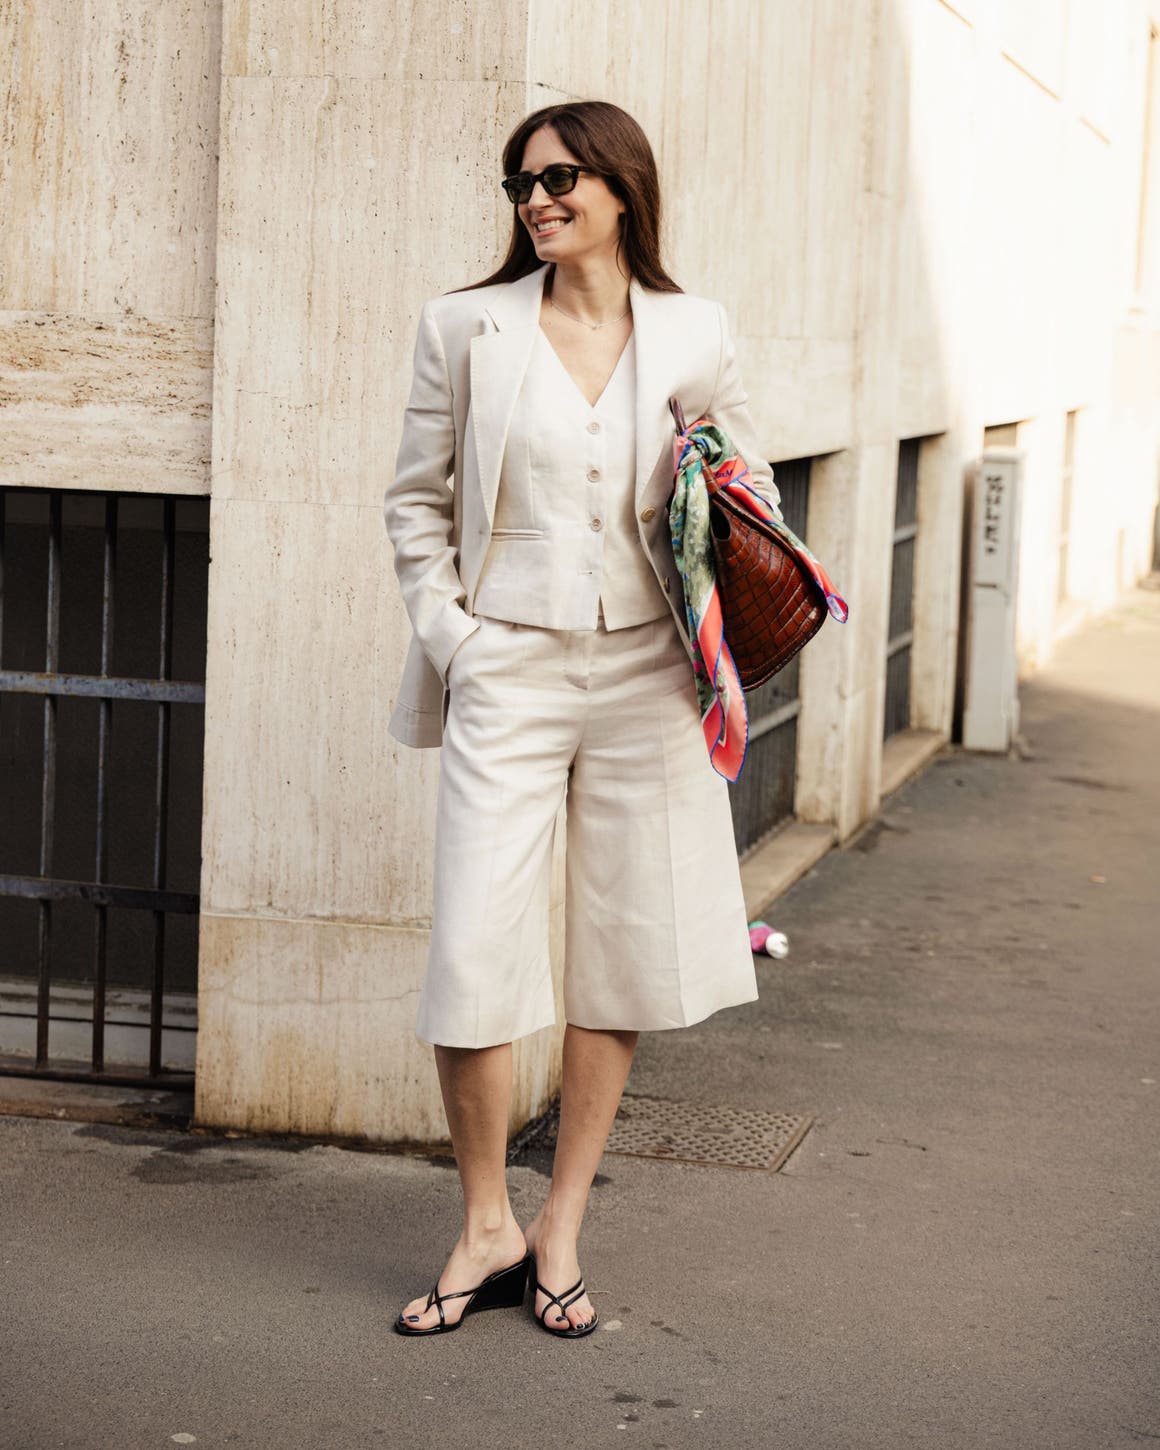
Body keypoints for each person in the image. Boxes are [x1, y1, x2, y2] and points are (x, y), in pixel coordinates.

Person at [383, 100, 780, 1338]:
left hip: (647, 674)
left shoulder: (692, 329)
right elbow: (412, 503)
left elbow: (747, 480)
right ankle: (483, 1220)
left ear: (620, 186)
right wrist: (461, 642)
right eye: (518, 181)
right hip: (509, 667)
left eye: (557, 176)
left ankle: (559, 1223)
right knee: (475, 949)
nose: (535, 198)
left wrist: (723, 486)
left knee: (618, 946)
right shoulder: (466, 328)